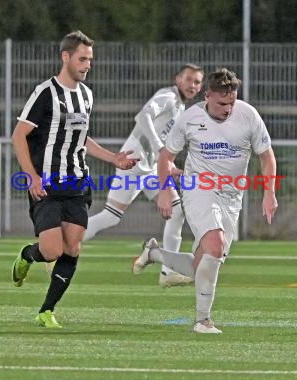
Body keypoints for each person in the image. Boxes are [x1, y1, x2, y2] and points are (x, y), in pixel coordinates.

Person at [132, 68, 279, 334]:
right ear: (207, 95)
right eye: (222, 103)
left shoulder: (248, 115)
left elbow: (267, 156)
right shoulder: (191, 117)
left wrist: (269, 192)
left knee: (204, 263)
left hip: (232, 198)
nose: (228, 108)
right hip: (198, 188)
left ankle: (154, 253)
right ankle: (203, 321)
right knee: (215, 242)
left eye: (232, 102)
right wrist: (165, 191)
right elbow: (166, 156)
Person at [11, 30, 138, 329]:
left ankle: (46, 311)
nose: (87, 65)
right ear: (65, 57)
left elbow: (80, 138)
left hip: (78, 183)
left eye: (90, 60)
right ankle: (27, 256)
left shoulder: (87, 94)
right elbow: (19, 136)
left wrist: (112, 158)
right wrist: (31, 176)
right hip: (48, 184)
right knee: (51, 250)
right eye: (82, 59)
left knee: (73, 248)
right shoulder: (45, 93)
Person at [80, 63, 205, 287]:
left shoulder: (180, 108)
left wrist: (170, 165)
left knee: (177, 213)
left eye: (197, 82)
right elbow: (143, 116)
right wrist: (158, 149)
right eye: (189, 80)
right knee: (111, 216)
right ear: (178, 80)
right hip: (134, 162)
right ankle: (62, 247)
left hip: (150, 167)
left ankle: (168, 272)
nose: (192, 85)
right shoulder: (168, 96)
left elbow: (162, 141)